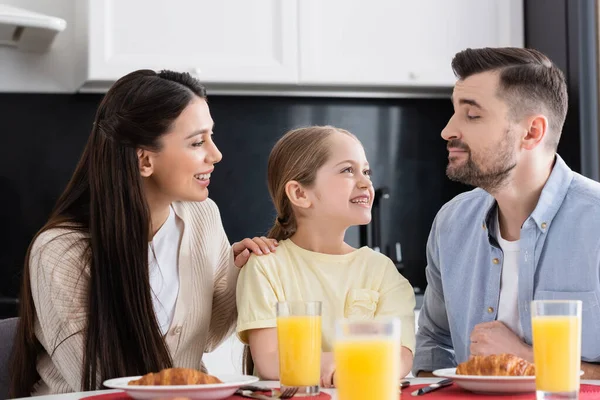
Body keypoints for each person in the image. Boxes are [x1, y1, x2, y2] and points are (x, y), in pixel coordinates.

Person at [9, 69, 276, 397]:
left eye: (211, 136)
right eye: (197, 142)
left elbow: (206, 337)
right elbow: (98, 384)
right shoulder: (60, 251)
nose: (216, 154)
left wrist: (241, 274)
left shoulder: (203, 216)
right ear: (145, 160)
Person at [413, 47, 600, 378]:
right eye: (454, 113)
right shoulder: (451, 223)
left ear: (531, 132)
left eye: (472, 116)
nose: (447, 131)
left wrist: (525, 357)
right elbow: (434, 344)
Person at [235, 125, 416, 387]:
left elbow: (399, 356)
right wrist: (347, 363)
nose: (366, 182)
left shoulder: (381, 270)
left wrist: (334, 364)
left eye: (366, 171)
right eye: (347, 170)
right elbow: (270, 361)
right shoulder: (265, 266)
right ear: (299, 193)